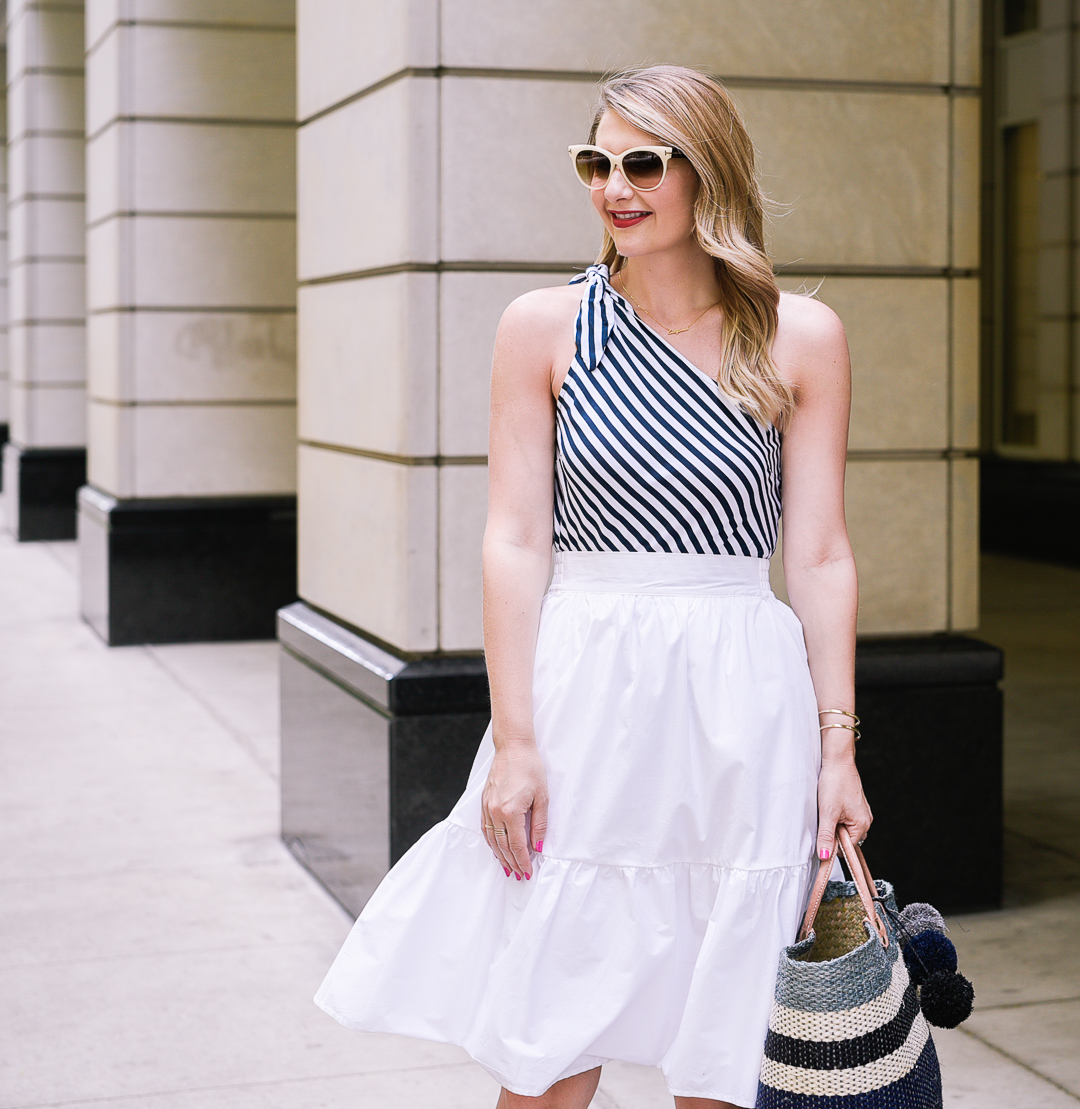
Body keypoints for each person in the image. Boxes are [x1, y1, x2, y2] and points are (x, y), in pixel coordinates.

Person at [315, 64, 872, 1109]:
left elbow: (821, 554)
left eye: (644, 161)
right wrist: (516, 738)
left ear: (707, 173)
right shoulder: (544, 326)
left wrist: (838, 744)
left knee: (724, 1033)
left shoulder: (799, 336)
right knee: (551, 1029)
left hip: (741, 692)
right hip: (588, 686)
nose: (615, 184)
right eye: (597, 161)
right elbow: (516, 539)